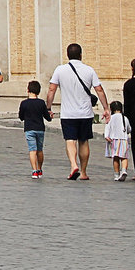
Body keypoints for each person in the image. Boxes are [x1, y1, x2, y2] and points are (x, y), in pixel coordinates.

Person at [45, 42, 108, 181]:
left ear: (67, 55)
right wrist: (106, 108)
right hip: (85, 113)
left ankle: (73, 165)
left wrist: (48, 108)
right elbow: (99, 90)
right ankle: (84, 172)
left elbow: (51, 89)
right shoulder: (89, 70)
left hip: (68, 113)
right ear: (81, 55)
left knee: (70, 140)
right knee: (84, 141)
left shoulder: (60, 70)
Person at [18, 80, 51, 179]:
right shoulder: (41, 103)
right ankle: (40, 169)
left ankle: (34, 171)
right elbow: (47, 117)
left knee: (32, 150)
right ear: (39, 91)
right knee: (40, 150)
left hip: (29, 129)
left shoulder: (24, 103)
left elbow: (21, 117)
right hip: (40, 129)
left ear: (28, 90)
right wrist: (50, 115)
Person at [103, 101, 130, 181]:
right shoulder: (124, 118)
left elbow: (107, 127)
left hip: (114, 139)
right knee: (124, 157)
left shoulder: (111, 118)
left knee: (116, 157)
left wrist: (106, 136)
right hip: (124, 139)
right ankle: (124, 170)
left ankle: (116, 174)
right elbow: (129, 129)